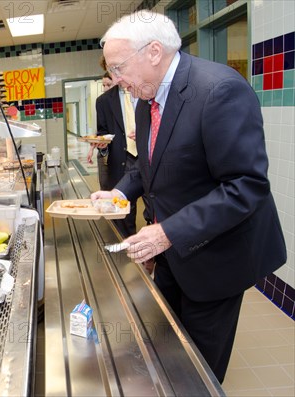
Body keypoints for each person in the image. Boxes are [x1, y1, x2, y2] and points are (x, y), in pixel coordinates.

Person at [91, 10, 286, 383]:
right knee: (169, 348)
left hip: (218, 258)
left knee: (199, 371)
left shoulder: (218, 90)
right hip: (174, 255)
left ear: (153, 52)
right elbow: (149, 165)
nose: (116, 81)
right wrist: (119, 192)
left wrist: (166, 233)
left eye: (118, 68)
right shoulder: (147, 102)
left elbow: (246, 185)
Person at [87, 60, 139, 237]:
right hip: (121, 160)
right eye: (111, 71)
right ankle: (126, 249)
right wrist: (102, 143)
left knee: (155, 207)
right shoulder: (103, 101)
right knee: (123, 211)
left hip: (149, 159)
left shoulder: (145, 92)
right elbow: (103, 131)